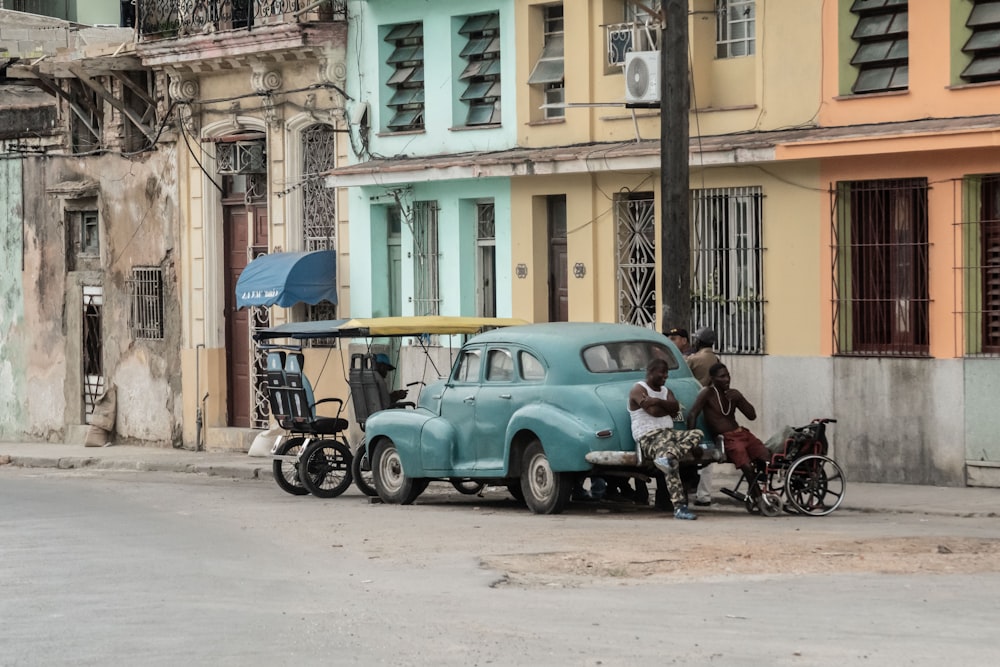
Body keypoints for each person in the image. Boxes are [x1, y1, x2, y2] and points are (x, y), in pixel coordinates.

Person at [628, 358, 705, 520]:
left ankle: (668, 456)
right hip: (649, 437)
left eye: (667, 373)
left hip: (669, 434)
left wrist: (656, 401)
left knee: (697, 434)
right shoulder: (638, 389)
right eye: (662, 372)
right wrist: (666, 407)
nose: (665, 376)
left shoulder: (665, 390)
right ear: (650, 372)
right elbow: (654, 412)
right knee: (672, 466)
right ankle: (679, 507)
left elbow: (675, 407)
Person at [686, 362, 770, 503]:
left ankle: (758, 488)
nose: (727, 379)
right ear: (712, 378)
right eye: (722, 376)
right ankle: (758, 498)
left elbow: (752, 415)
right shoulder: (708, 393)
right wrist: (692, 441)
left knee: (766, 457)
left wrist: (740, 398)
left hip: (742, 433)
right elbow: (692, 414)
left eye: (728, 376)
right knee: (746, 466)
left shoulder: (732, 394)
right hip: (727, 438)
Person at [685, 327, 721, 506]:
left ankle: (685, 489)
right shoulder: (717, 360)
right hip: (712, 410)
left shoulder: (693, 360)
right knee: (709, 450)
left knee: (689, 447)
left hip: (695, 407)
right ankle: (704, 494)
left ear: (699, 342)